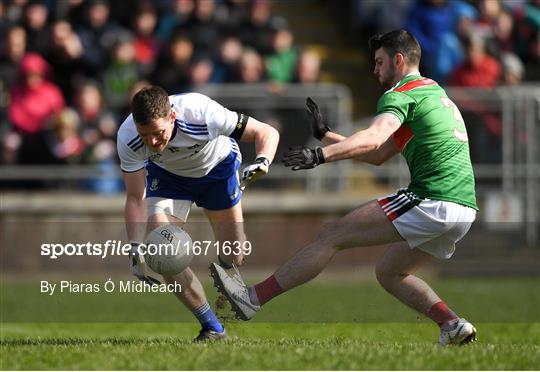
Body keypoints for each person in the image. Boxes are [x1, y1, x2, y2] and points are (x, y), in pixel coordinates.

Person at [211, 30, 479, 346]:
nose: (375, 70)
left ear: (398, 60)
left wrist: (318, 156)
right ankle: (451, 324)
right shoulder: (432, 92)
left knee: (330, 235)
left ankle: (251, 299)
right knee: (391, 272)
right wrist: (326, 136)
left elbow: (372, 138)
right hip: (464, 209)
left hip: (434, 198)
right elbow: (379, 155)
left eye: (379, 62)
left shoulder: (400, 94)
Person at [116, 85, 279, 341]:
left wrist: (263, 160)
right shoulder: (128, 136)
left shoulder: (200, 112)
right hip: (169, 179)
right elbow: (136, 197)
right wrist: (135, 247)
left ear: (172, 117)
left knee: (234, 255)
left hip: (217, 171)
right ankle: (213, 327)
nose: (152, 142)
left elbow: (266, 131)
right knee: (162, 252)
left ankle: (228, 280)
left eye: (158, 133)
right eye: (145, 135)